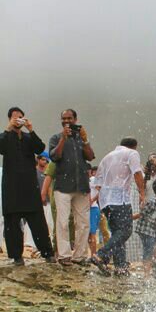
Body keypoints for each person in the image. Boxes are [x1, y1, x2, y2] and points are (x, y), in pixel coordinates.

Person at [0, 107, 54, 265]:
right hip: (11, 186)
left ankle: (47, 253)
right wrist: (8, 128)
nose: (18, 120)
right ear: (10, 119)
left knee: (38, 222)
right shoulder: (5, 137)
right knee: (12, 223)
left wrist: (31, 129)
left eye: (21, 117)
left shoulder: (29, 138)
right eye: (15, 117)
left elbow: (40, 148)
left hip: (29, 186)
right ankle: (17, 257)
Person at [91, 138, 145, 276]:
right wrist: (142, 193)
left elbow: (98, 183)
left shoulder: (107, 157)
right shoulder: (132, 153)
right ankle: (101, 255)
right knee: (126, 230)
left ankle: (120, 267)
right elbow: (137, 173)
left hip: (105, 201)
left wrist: (102, 198)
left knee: (117, 233)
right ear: (134, 147)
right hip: (119, 199)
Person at [49, 109, 95, 266]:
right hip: (62, 186)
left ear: (76, 119)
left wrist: (85, 140)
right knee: (62, 222)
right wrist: (63, 138)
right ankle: (64, 255)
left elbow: (90, 156)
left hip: (81, 186)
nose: (66, 121)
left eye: (69, 118)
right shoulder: (56, 138)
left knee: (83, 222)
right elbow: (55, 156)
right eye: (64, 118)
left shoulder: (81, 138)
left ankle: (79, 256)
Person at [135, 178, 156, 277]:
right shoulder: (152, 202)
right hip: (146, 230)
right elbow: (142, 213)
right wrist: (131, 217)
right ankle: (147, 275)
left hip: (153, 231)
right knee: (149, 251)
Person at [88, 165, 101, 257]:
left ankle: (94, 255)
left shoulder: (92, 179)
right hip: (89, 209)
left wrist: (92, 200)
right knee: (89, 235)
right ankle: (92, 255)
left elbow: (101, 190)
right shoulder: (89, 180)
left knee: (92, 234)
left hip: (93, 208)